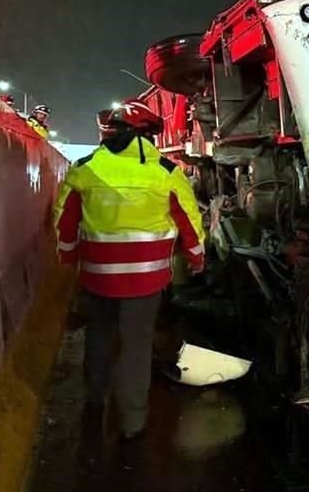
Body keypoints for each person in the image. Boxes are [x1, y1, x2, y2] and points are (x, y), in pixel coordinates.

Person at [53, 97, 205, 439]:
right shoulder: (166, 173)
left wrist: (67, 256)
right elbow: (189, 222)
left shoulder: (85, 168)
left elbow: (64, 219)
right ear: (146, 137)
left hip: (97, 277)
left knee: (100, 336)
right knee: (136, 346)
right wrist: (196, 257)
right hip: (146, 281)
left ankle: (94, 401)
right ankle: (132, 425)